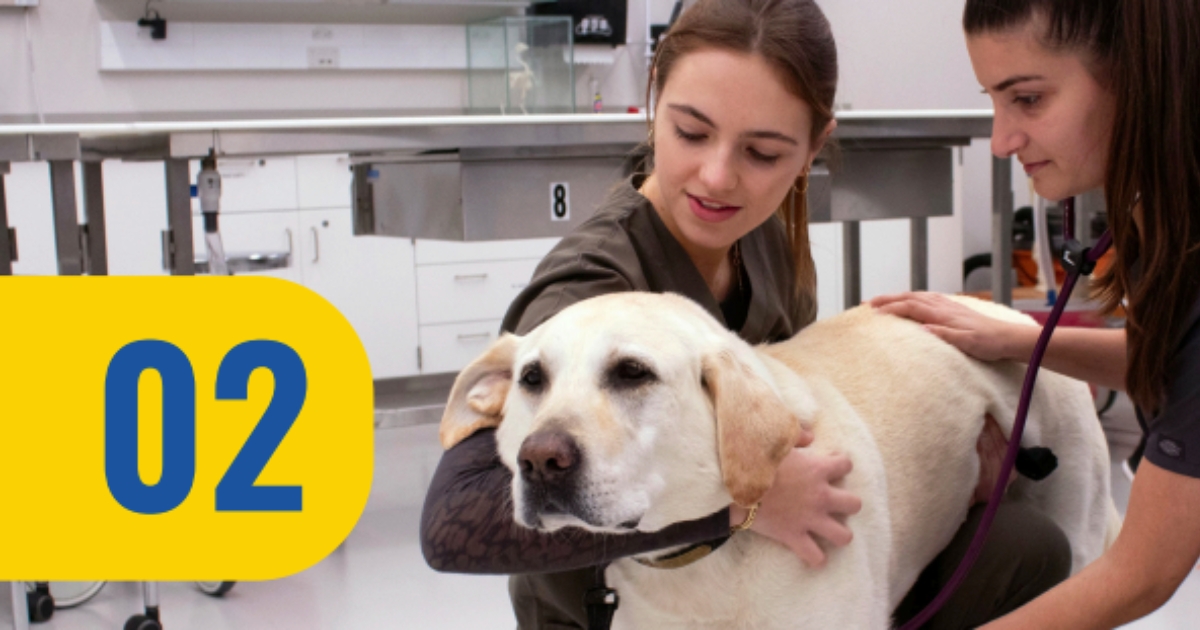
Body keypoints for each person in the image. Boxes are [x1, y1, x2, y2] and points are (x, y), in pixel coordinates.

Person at [422, 1, 1068, 628]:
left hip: (754, 576)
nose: (717, 177)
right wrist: (747, 507)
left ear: (814, 147)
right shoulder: (591, 293)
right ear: (654, 104)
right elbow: (452, 525)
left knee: (1023, 547)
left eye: (763, 153)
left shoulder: (755, 238)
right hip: (604, 598)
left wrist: (943, 464)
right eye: (691, 132)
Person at [871, 0, 1200, 627]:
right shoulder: (1164, 212)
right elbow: (1177, 365)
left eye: (1027, 100)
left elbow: (1141, 577)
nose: (1000, 141)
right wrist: (1018, 339)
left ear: (1138, 75)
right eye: (993, 100)